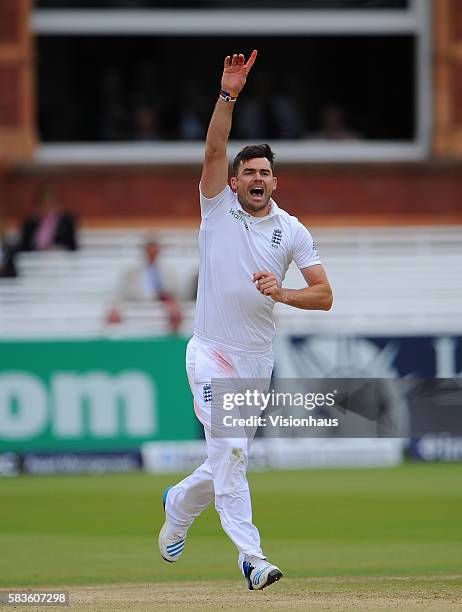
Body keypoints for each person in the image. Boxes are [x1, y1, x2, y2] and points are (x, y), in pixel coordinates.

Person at [158, 51, 333, 590]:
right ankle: (252, 558)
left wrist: (284, 293)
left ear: (275, 182)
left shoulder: (293, 230)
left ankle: (178, 504)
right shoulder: (216, 208)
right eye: (248, 172)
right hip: (210, 350)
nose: (257, 179)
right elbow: (215, 147)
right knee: (232, 450)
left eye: (265, 173)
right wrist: (228, 94)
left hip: (257, 363)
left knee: (224, 461)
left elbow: (324, 295)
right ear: (231, 183)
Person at [106, 239, 182, 333]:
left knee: (176, 310)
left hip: (161, 305)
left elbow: (174, 292)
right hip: (136, 304)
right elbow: (125, 293)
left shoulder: (168, 272)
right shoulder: (132, 272)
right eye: (150, 251)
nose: (152, 254)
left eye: (154, 251)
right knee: (114, 312)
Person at [19, 187, 77, 252]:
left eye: (50, 203)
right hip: (35, 257)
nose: (47, 207)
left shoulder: (66, 221)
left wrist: (56, 247)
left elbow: (72, 246)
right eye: (44, 203)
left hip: (59, 257)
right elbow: (24, 247)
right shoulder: (31, 221)